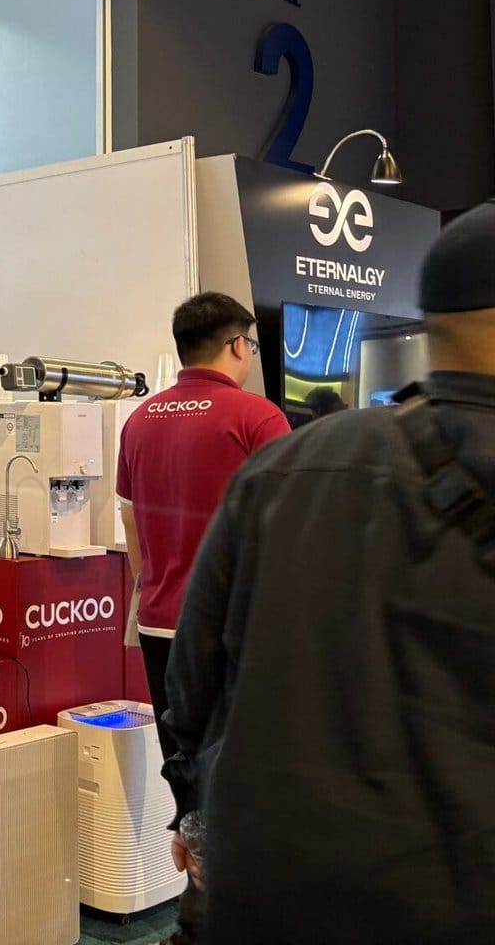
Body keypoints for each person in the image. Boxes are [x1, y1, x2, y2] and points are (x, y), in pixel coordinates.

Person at [163, 204, 495, 945]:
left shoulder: (279, 463)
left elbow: (194, 678)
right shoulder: (258, 421)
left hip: (274, 878)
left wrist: (196, 813)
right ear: (237, 345)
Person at [115, 291, 289, 943]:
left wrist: (154, 588)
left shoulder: (140, 420)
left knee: (188, 779)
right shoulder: (257, 416)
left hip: (161, 623)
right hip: (235, 626)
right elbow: (285, 527)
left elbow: (132, 524)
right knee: (249, 780)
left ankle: (198, 917)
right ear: (239, 344)